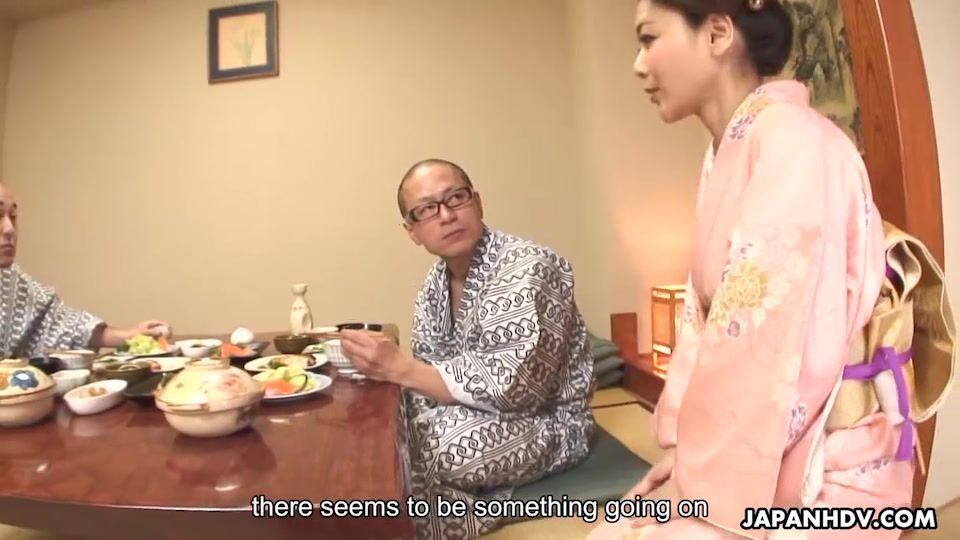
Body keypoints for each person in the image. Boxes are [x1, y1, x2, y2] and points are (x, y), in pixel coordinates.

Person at [589, 0, 915, 538]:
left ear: (717, 33)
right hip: (755, 450)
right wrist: (687, 454)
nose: (638, 65)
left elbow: (766, 350)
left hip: (823, 467)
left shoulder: (795, 143)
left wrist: (702, 479)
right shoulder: (730, 149)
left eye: (649, 39)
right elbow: (706, 329)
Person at [341, 159, 595, 538]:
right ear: (412, 231)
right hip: (465, 415)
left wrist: (400, 369)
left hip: (548, 423)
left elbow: (516, 390)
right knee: (384, 430)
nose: (446, 215)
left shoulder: (529, 267)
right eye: (427, 209)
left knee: (430, 449)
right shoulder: (434, 285)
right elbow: (428, 378)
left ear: (477, 203)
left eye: (455, 198)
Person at [0, 182, 170, 358]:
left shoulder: (12, 280)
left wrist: (131, 336)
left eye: (13, 217)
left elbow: (64, 325)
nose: (9, 229)